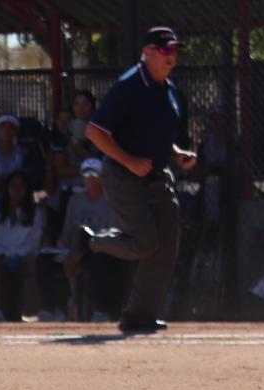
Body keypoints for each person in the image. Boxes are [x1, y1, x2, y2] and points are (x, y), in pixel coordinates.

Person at [81, 26, 196, 334]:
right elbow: (95, 132)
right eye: (164, 51)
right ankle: (91, 241)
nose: (171, 57)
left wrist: (176, 153)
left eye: (174, 51)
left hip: (158, 176)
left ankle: (138, 316)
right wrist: (130, 161)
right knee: (146, 244)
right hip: (123, 176)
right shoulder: (130, 85)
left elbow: (153, 135)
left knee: (167, 248)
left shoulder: (169, 88)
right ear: (147, 53)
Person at [59, 158, 128, 320]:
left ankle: (99, 311)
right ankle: (52, 311)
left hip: (103, 249)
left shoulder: (112, 200)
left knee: (93, 252)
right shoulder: (75, 201)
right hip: (77, 249)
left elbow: (113, 233)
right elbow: (66, 236)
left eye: (94, 173)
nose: (90, 177)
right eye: (86, 173)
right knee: (45, 260)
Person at [0, 172, 43, 321]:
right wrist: (1, 253)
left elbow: (34, 240)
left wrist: (18, 255)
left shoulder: (35, 212)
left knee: (33, 264)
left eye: (21, 186)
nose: (17, 190)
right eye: (13, 185)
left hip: (22, 254)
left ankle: (32, 311)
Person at [0, 114, 45, 193]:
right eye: (3, 126)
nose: (7, 131)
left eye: (11, 127)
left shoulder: (24, 153)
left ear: (17, 131)